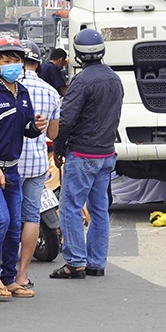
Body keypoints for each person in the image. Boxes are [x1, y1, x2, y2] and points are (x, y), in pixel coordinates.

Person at [0, 38, 45, 298]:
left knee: (15, 224)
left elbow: (26, 129)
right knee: (0, 219)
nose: (13, 64)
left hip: (13, 169)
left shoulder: (23, 94)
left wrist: (36, 127)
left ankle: (8, 278)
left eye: (17, 60)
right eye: (6, 60)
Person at [50, 29, 122, 279]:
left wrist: (59, 147)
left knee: (71, 207)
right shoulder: (114, 78)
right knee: (99, 209)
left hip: (82, 154)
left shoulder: (81, 81)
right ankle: (96, 262)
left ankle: (75, 262)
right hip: (105, 154)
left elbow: (67, 119)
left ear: (78, 56)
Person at [14, 40, 60, 290]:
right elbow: (53, 132)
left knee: (6, 216)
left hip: (9, 162)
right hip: (38, 163)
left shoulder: (9, 87)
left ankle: (3, 272)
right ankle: (22, 274)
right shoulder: (50, 91)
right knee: (31, 216)